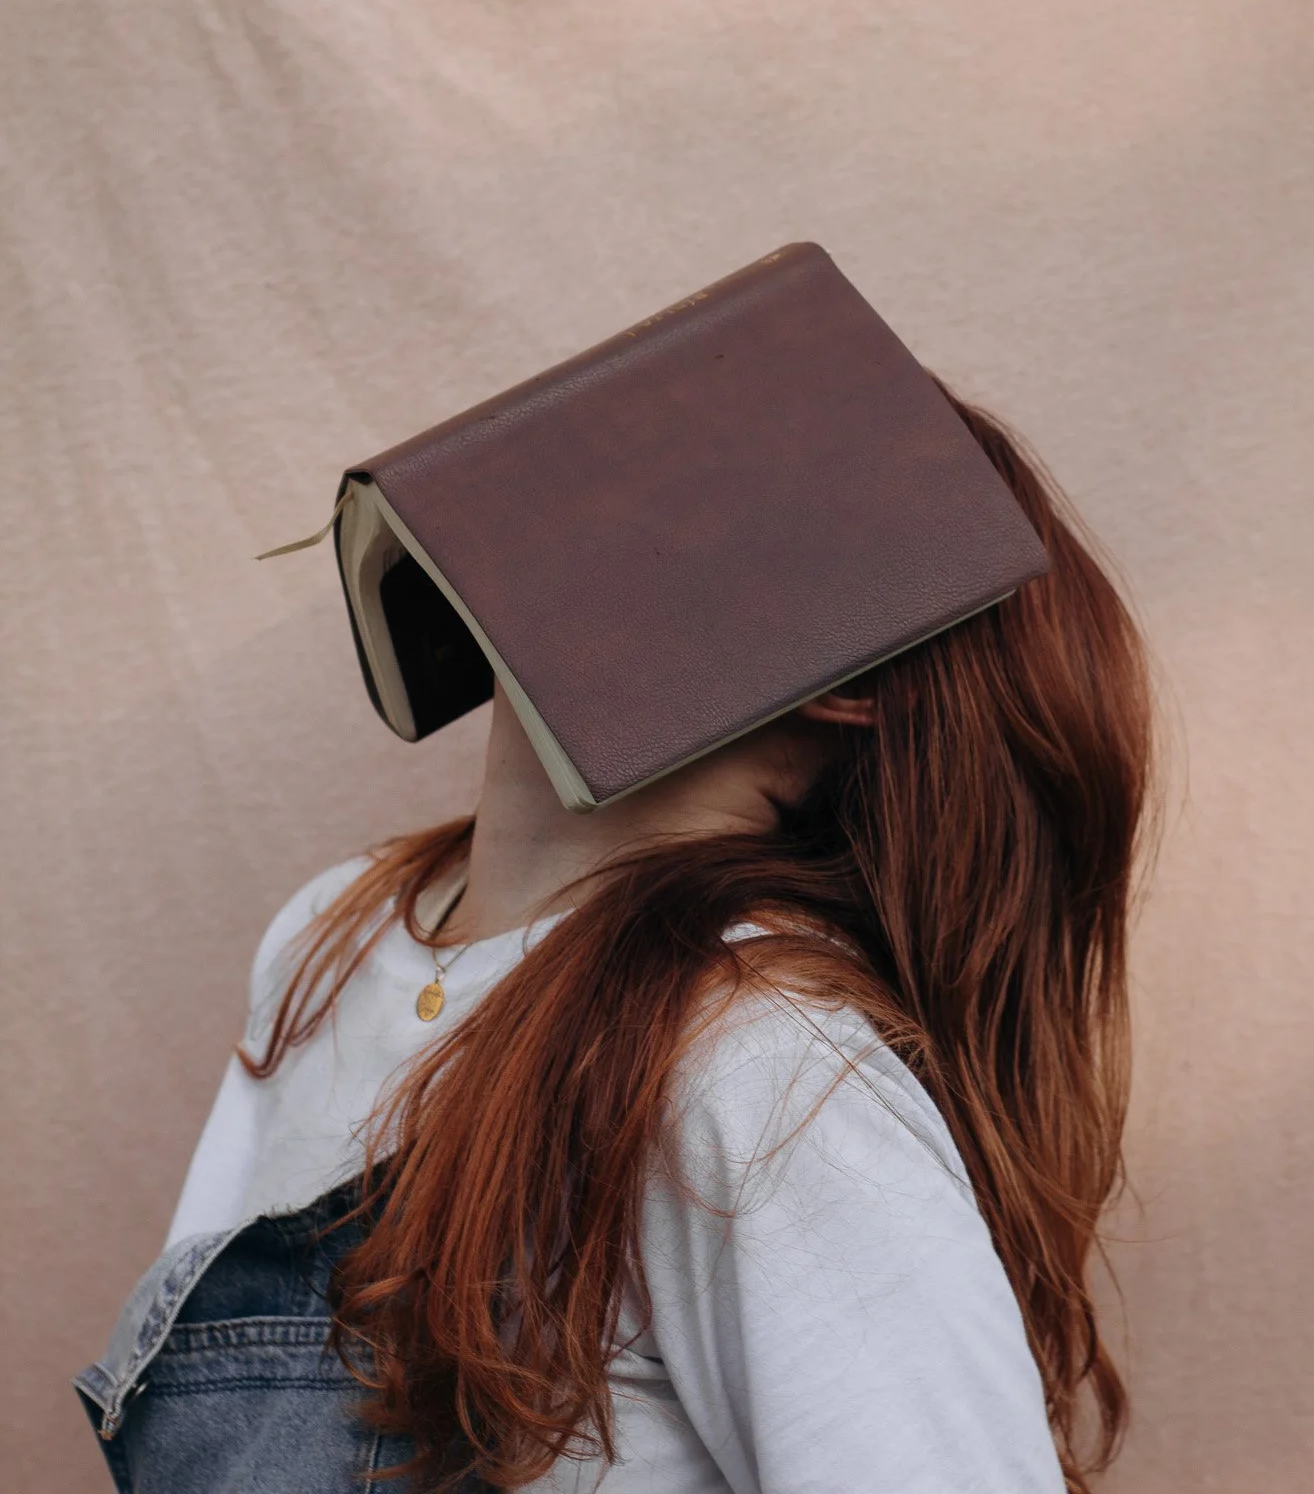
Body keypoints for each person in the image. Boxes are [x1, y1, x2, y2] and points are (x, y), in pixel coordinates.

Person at [77, 388, 1154, 1494]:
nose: (587, 488)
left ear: (847, 671)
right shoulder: (333, 928)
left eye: (683, 487)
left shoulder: (765, 1069)